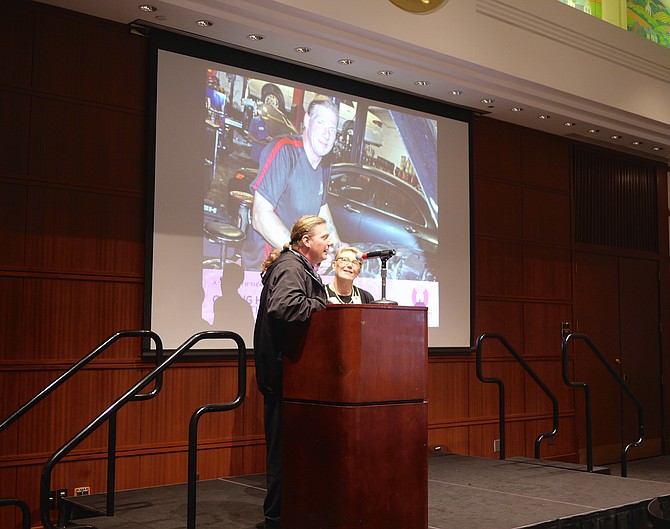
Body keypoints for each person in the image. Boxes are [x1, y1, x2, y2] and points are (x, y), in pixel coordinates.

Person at [253, 215, 331, 529]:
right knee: (284, 453)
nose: (330, 242)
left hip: (293, 378)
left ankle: (287, 517)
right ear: (305, 241)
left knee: (291, 452)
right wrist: (323, 306)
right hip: (285, 377)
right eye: (324, 236)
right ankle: (278, 520)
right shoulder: (290, 267)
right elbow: (284, 307)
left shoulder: (296, 266)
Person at [241, 96, 343, 270]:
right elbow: (260, 215)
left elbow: (321, 208)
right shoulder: (284, 151)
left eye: (332, 129)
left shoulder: (324, 165)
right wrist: (303, 254)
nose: (326, 134)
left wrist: (338, 246)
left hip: (294, 269)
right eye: (320, 124)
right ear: (306, 121)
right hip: (266, 265)